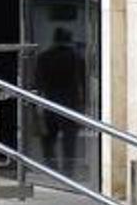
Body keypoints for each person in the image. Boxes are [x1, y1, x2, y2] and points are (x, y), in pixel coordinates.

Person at [34, 28, 84, 176]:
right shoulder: (76, 58)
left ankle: (51, 167)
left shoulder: (43, 57)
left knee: (48, 138)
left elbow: (38, 81)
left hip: (50, 100)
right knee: (69, 139)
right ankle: (69, 170)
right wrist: (83, 103)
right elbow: (82, 82)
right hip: (70, 101)